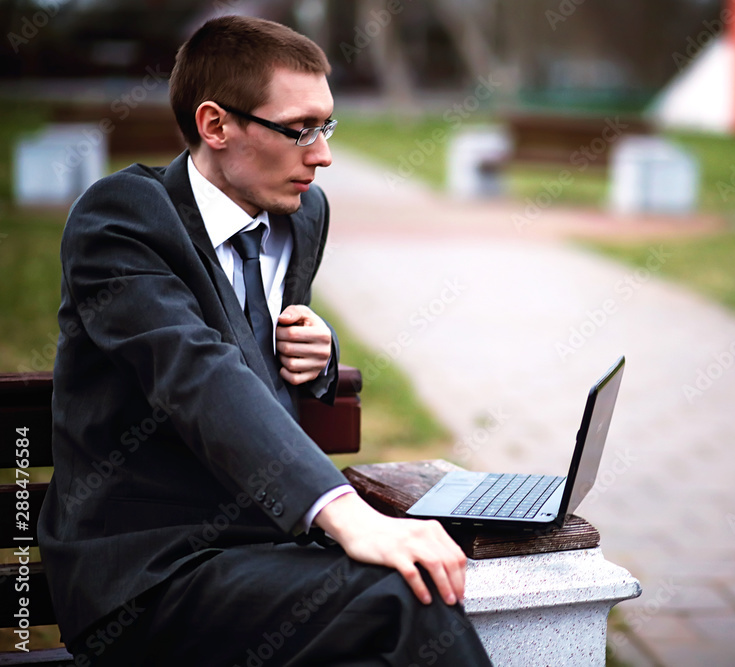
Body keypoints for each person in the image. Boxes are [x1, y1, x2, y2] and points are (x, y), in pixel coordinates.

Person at [38, 14, 491, 666]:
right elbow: (195, 373)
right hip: (151, 574)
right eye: (300, 129)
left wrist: (319, 359)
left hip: (269, 553)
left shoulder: (303, 214)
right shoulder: (121, 221)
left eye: (326, 125)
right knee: (405, 597)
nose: (323, 154)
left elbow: (256, 347)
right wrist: (348, 513)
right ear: (215, 125)